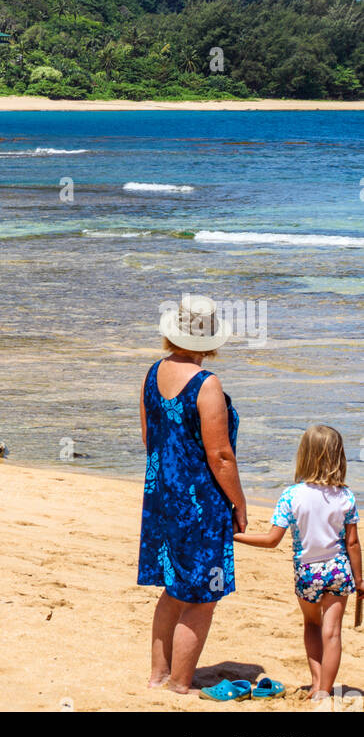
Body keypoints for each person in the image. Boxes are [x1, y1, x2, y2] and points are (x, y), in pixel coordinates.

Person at [137, 294, 246, 694]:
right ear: (211, 340)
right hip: (199, 503)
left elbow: (150, 438)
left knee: (172, 586)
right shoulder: (206, 384)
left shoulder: (153, 373)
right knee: (201, 597)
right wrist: (238, 503)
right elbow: (220, 456)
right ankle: (180, 683)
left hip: (161, 497)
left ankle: (157, 675)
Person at [235, 424, 362, 701]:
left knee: (312, 626)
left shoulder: (291, 496)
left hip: (308, 572)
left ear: (303, 455)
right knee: (333, 633)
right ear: (338, 457)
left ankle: (316, 682)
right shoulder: (346, 497)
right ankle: (325, 691)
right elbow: (352, 543)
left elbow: (272, 540)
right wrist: (360, 580)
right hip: (339, 570)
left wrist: (236, 536)